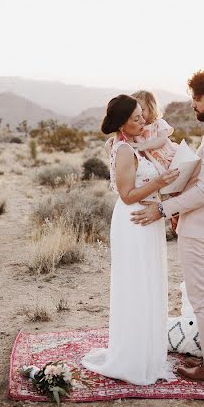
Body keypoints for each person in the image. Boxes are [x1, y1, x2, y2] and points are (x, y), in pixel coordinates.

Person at [131, 71, 204, 384]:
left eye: (197, 98)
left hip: (202, 228)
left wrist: (165, 209)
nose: (193, 104)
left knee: (203, 298)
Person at [81, 94, 179, 385]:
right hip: (134, 219)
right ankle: (134, 356)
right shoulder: (124, 149)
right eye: (136, 117)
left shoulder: (136, 145)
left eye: (142, 116)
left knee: (150, 283)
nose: (142, 121)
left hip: (148, 218)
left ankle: (148, 352)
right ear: (123, 121)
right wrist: (159, 183)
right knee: (136, 284)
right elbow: (126, 195)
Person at [130, 90, 179, 172]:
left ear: (151, 108)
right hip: (152, 162)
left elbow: (161, 140)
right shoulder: (136, 128)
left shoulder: (158, 123)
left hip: (167, 157)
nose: (139, 114)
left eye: (142, 110)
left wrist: (143, 146)